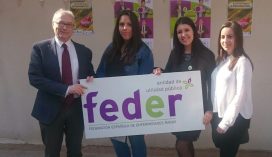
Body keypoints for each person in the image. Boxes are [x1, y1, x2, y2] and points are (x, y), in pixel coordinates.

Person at [28, 8, 94, 157]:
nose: (64, 27)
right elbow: (35, 78)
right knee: (51, 152)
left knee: (76, 152)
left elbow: (90, 74)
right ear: (53, 24)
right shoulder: (40, 49)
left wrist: (91, 79)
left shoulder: (84, 51)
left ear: (73, 27)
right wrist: (67, 89)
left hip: (76, 110)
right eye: (60, 23)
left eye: (69, 24)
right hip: (49, 109)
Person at [153, 16, 215, 157]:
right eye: (179, 32)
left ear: (194, 31)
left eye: (186, 30)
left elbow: (212, 86)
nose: (183, 35)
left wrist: (210, 110)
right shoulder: (175, 54)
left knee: (182, 143)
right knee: (183, 143)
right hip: (179, 108)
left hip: (197, 109)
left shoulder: (207, 55)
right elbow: (168, 76)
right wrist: (158, 71)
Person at [96, 10, 154, 157]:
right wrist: (93, 83)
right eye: (121, 24)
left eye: (129, 24)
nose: (125, 28)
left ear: (135, 27)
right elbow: (101, 73)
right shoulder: (111, 49)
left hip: (134, 105)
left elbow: (144, 81)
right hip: (112, 106)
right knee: (118, 142)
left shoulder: (144, 51)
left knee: (137, 141)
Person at [210, 21, 254, 157]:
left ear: (238, 39)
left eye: (230, 36)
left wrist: (226, 123)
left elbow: (240, 95)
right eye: (222, 37)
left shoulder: (242, 62)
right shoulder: (222, 61)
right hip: (220, 114)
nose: (225, 40)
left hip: (234, 119)